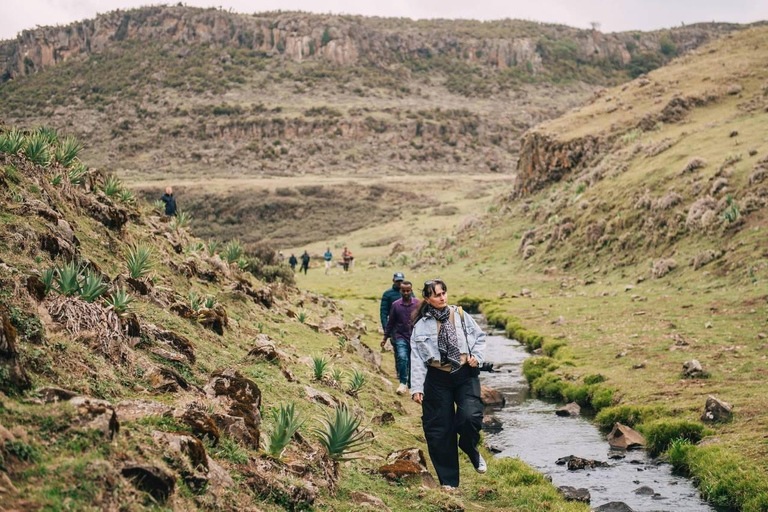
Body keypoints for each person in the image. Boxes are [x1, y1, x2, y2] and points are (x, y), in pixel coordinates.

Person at [410, 278, 487, 490]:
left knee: (470, 417)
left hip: (465, 375)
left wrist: (477, 357)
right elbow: (416, 358)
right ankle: (449, 482)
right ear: (428, 298)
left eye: (444, 293)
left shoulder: (461, 315)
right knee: (439, 430)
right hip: (437, 379)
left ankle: (469, 447)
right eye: (437, 295)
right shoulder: (420, 326)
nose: (442, 297)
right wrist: (416, 387)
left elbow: (480, 337)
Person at [381, 281, 420, 395]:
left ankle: (412, 385)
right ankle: (403, 383)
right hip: (400, 336)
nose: (406, 293)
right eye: (404, 291)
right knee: (402, 357)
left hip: (414, 337)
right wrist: (385, 337)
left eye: (408, 290)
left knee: (413, 361)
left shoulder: (417, 304)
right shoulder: (396, 305)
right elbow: (391, 322)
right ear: (400, 291)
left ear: (411, 290)